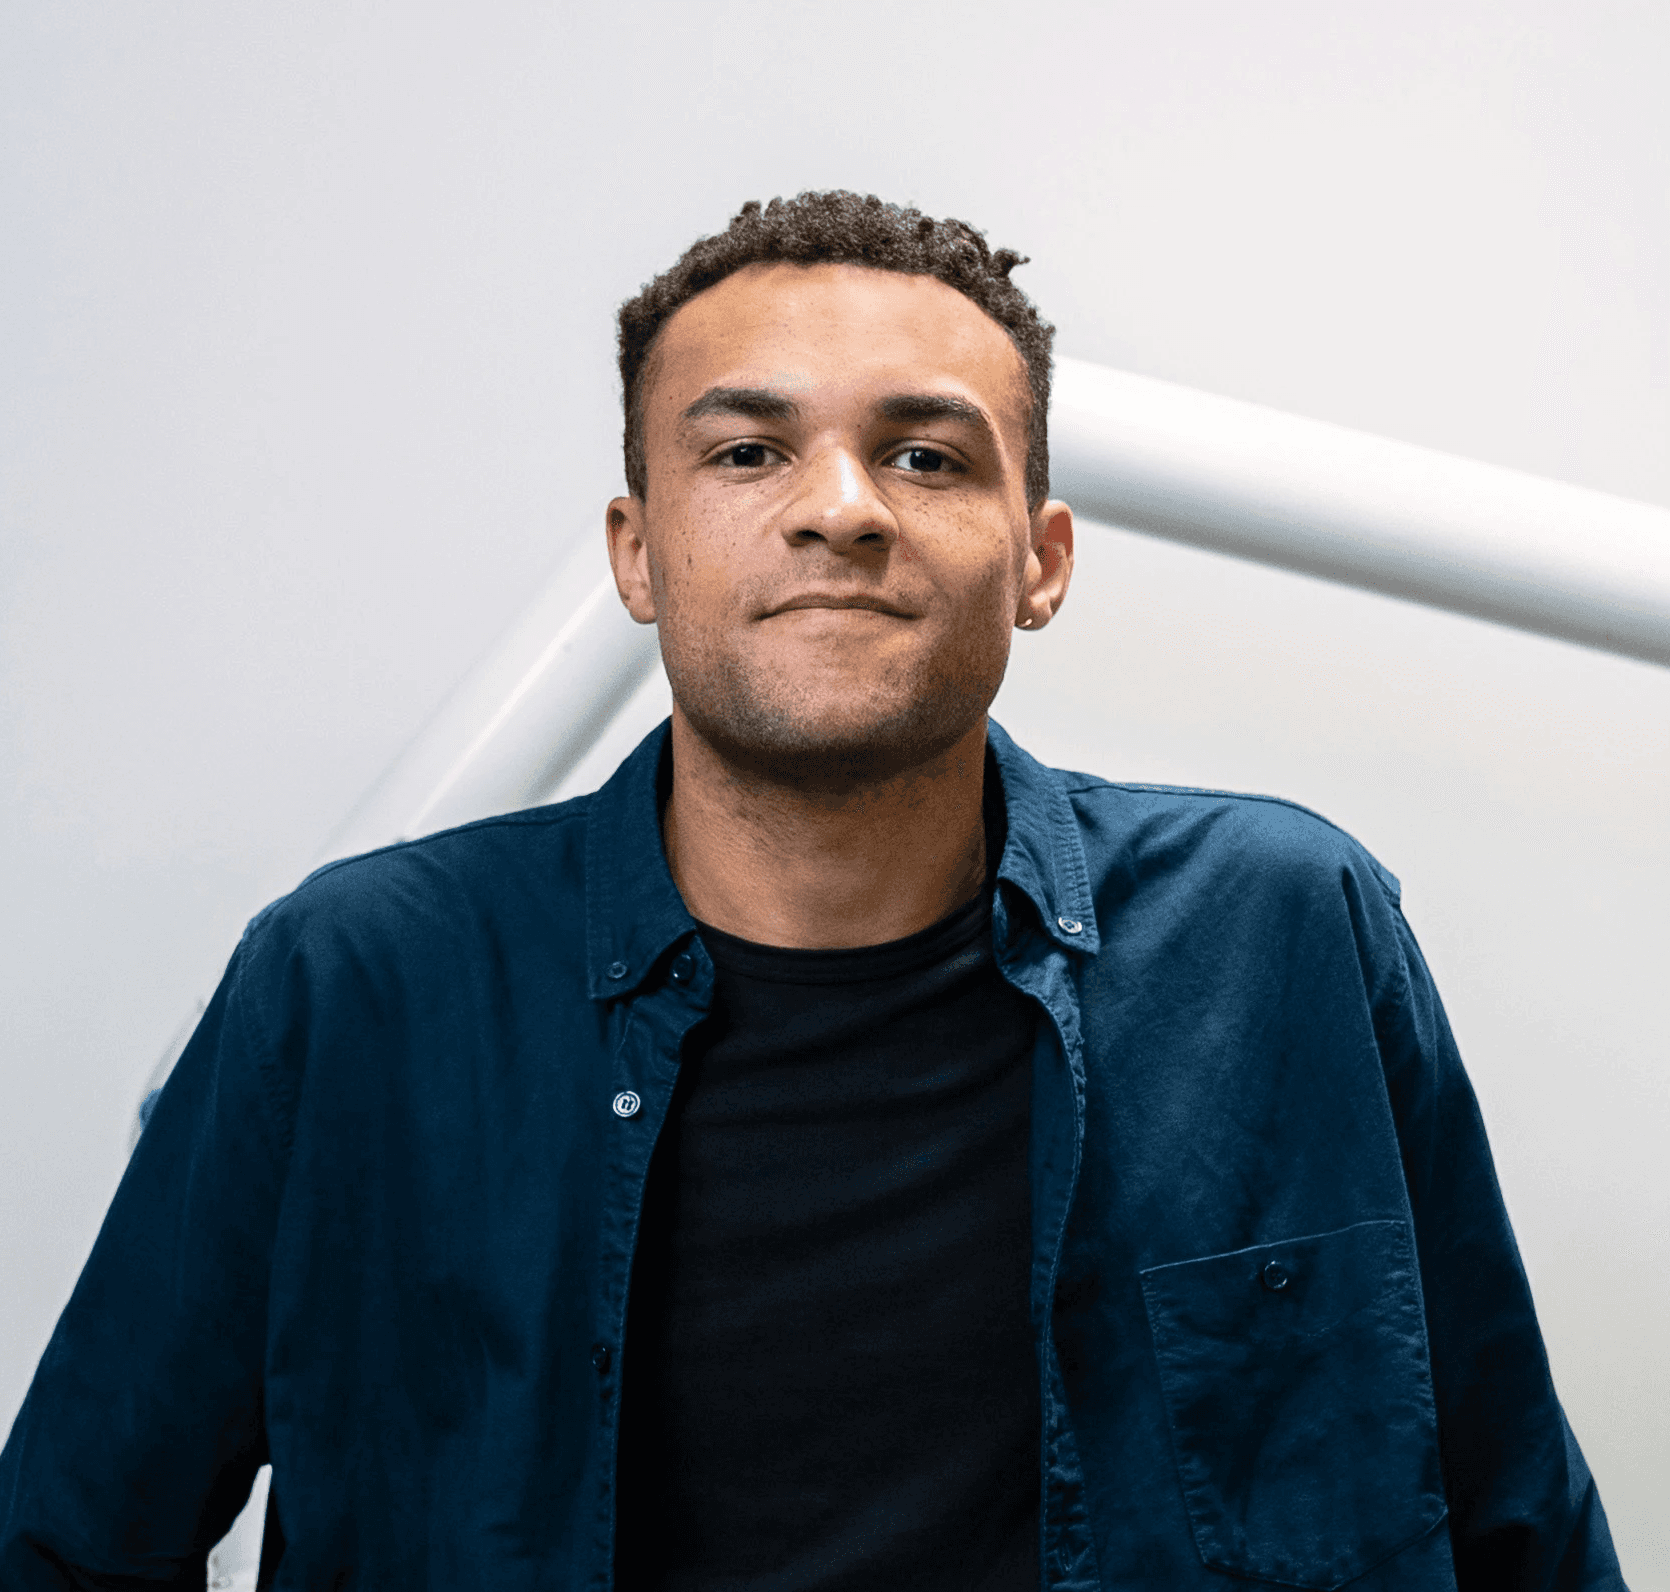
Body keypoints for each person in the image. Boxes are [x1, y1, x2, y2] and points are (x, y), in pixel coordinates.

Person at [0, 191, 1626, 1591]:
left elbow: (1514, 1524)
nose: (838, 506)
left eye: (923, 453)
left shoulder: (1281, 930)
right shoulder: (352, 981)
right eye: (748, 448)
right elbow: (72, 1542)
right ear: (637, 555)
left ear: (1039, 557)